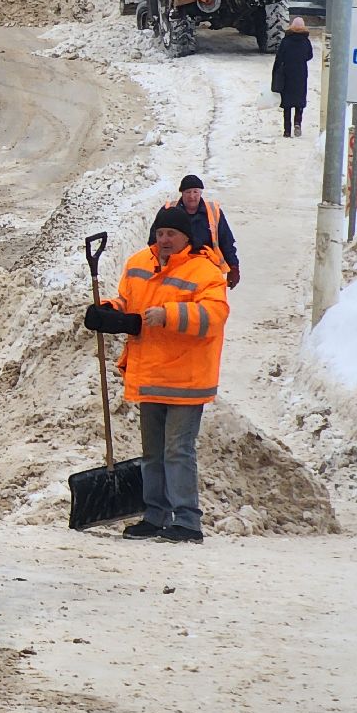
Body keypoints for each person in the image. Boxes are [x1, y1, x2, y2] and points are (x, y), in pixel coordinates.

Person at [82, 207, 230, 543]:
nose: (164, 240)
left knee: (178, 450)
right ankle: (155, 515)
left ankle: (188, 521)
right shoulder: (137, 264)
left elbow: (214, 316)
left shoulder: (205, 272)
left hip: (186, 378)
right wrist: (109, 313)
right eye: (160, 233)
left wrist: (168, 315)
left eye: (171, 235)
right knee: (152, 452)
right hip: (149, 373)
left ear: (186, 238)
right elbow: (128, 301)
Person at [148, 174, 240, 288]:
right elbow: (154, 241)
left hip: (206, 268)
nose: (192, 196)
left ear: (200, 193)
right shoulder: (168, 211)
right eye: (188, 192)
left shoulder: (213, 212)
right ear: (182, 193)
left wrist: (234, 267)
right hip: (175, 269)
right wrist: (156, 264)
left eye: (195, 192)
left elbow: (226, 241)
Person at [271, 16, 314, 138]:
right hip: (300, 74)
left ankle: (287, 131)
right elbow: (309, 56)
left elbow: (279, 57)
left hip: (287, 74)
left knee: (287, 104)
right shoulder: (306, 41)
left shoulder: (286, 41)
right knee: (299, 101)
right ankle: (297, 123)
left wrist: (276, 72)